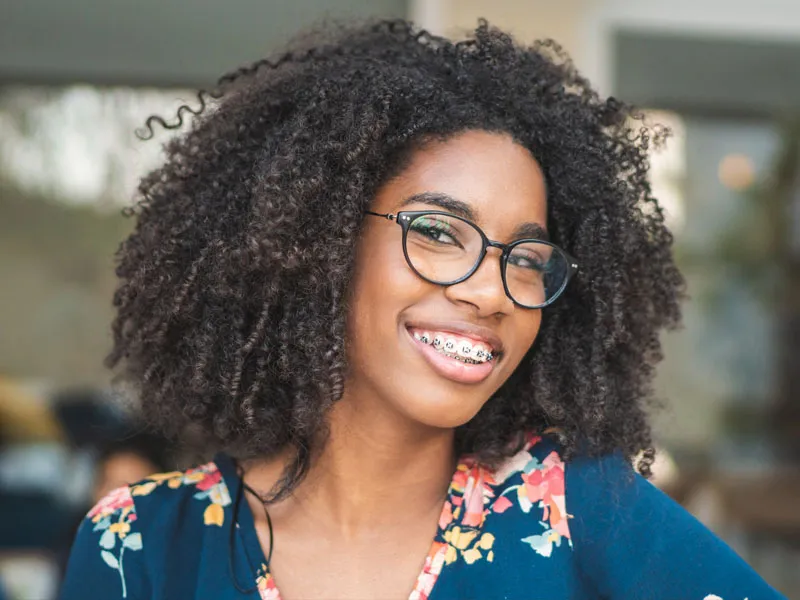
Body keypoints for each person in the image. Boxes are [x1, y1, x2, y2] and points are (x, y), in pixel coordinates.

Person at [60, 19, 785, 600]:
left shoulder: (578, 509)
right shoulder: (142, 547)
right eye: (438, 233)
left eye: (526, 260)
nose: (490, 292)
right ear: (320, 240)